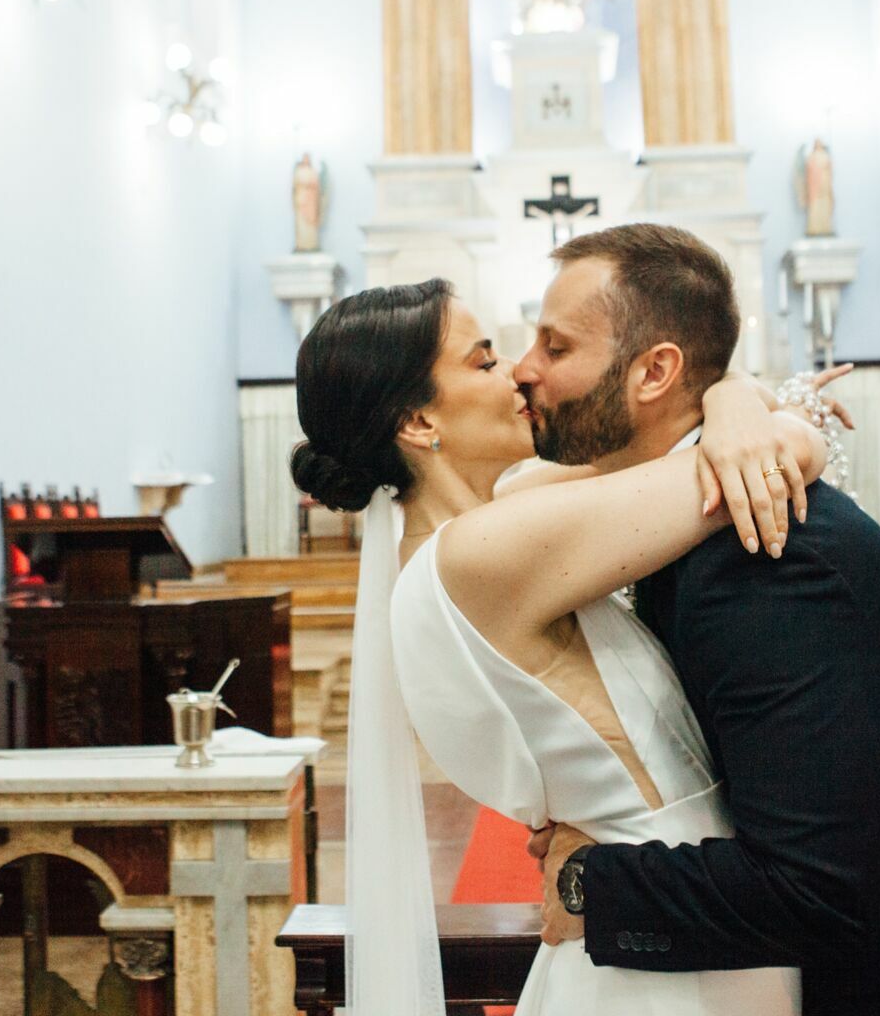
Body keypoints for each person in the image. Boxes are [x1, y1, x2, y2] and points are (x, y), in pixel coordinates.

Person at [520, 224, 880, 1016]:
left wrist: (590, 877)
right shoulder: (669, 522)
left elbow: (819, 889)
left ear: (655, 372)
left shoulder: (766, 559)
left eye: (554, 346)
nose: (523, 370)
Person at [290, 272, 831, 1015]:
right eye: (482, 361)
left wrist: (732, 398)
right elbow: (766, 463)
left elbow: (681, 442)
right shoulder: (481, 554)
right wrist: (756, 414)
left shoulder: (469, 536)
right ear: (417, 422)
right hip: (668, 942)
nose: (516, 372)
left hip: (661, 913)